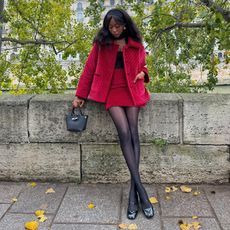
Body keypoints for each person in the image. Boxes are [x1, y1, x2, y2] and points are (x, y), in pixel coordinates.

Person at [72, 8, 154, 220]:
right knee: (124, 134)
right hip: (111, 91)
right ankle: (141, 192)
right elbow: (89, 69)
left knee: (134, 134)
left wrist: (143, 73)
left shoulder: (135, 42)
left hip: (132, 89)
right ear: (106, 27)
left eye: (118, 26)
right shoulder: (101, 44)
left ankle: (133, 197)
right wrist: (80, 94)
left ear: (125, 25)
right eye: (111, 27)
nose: (115, 30)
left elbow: (144, 65)